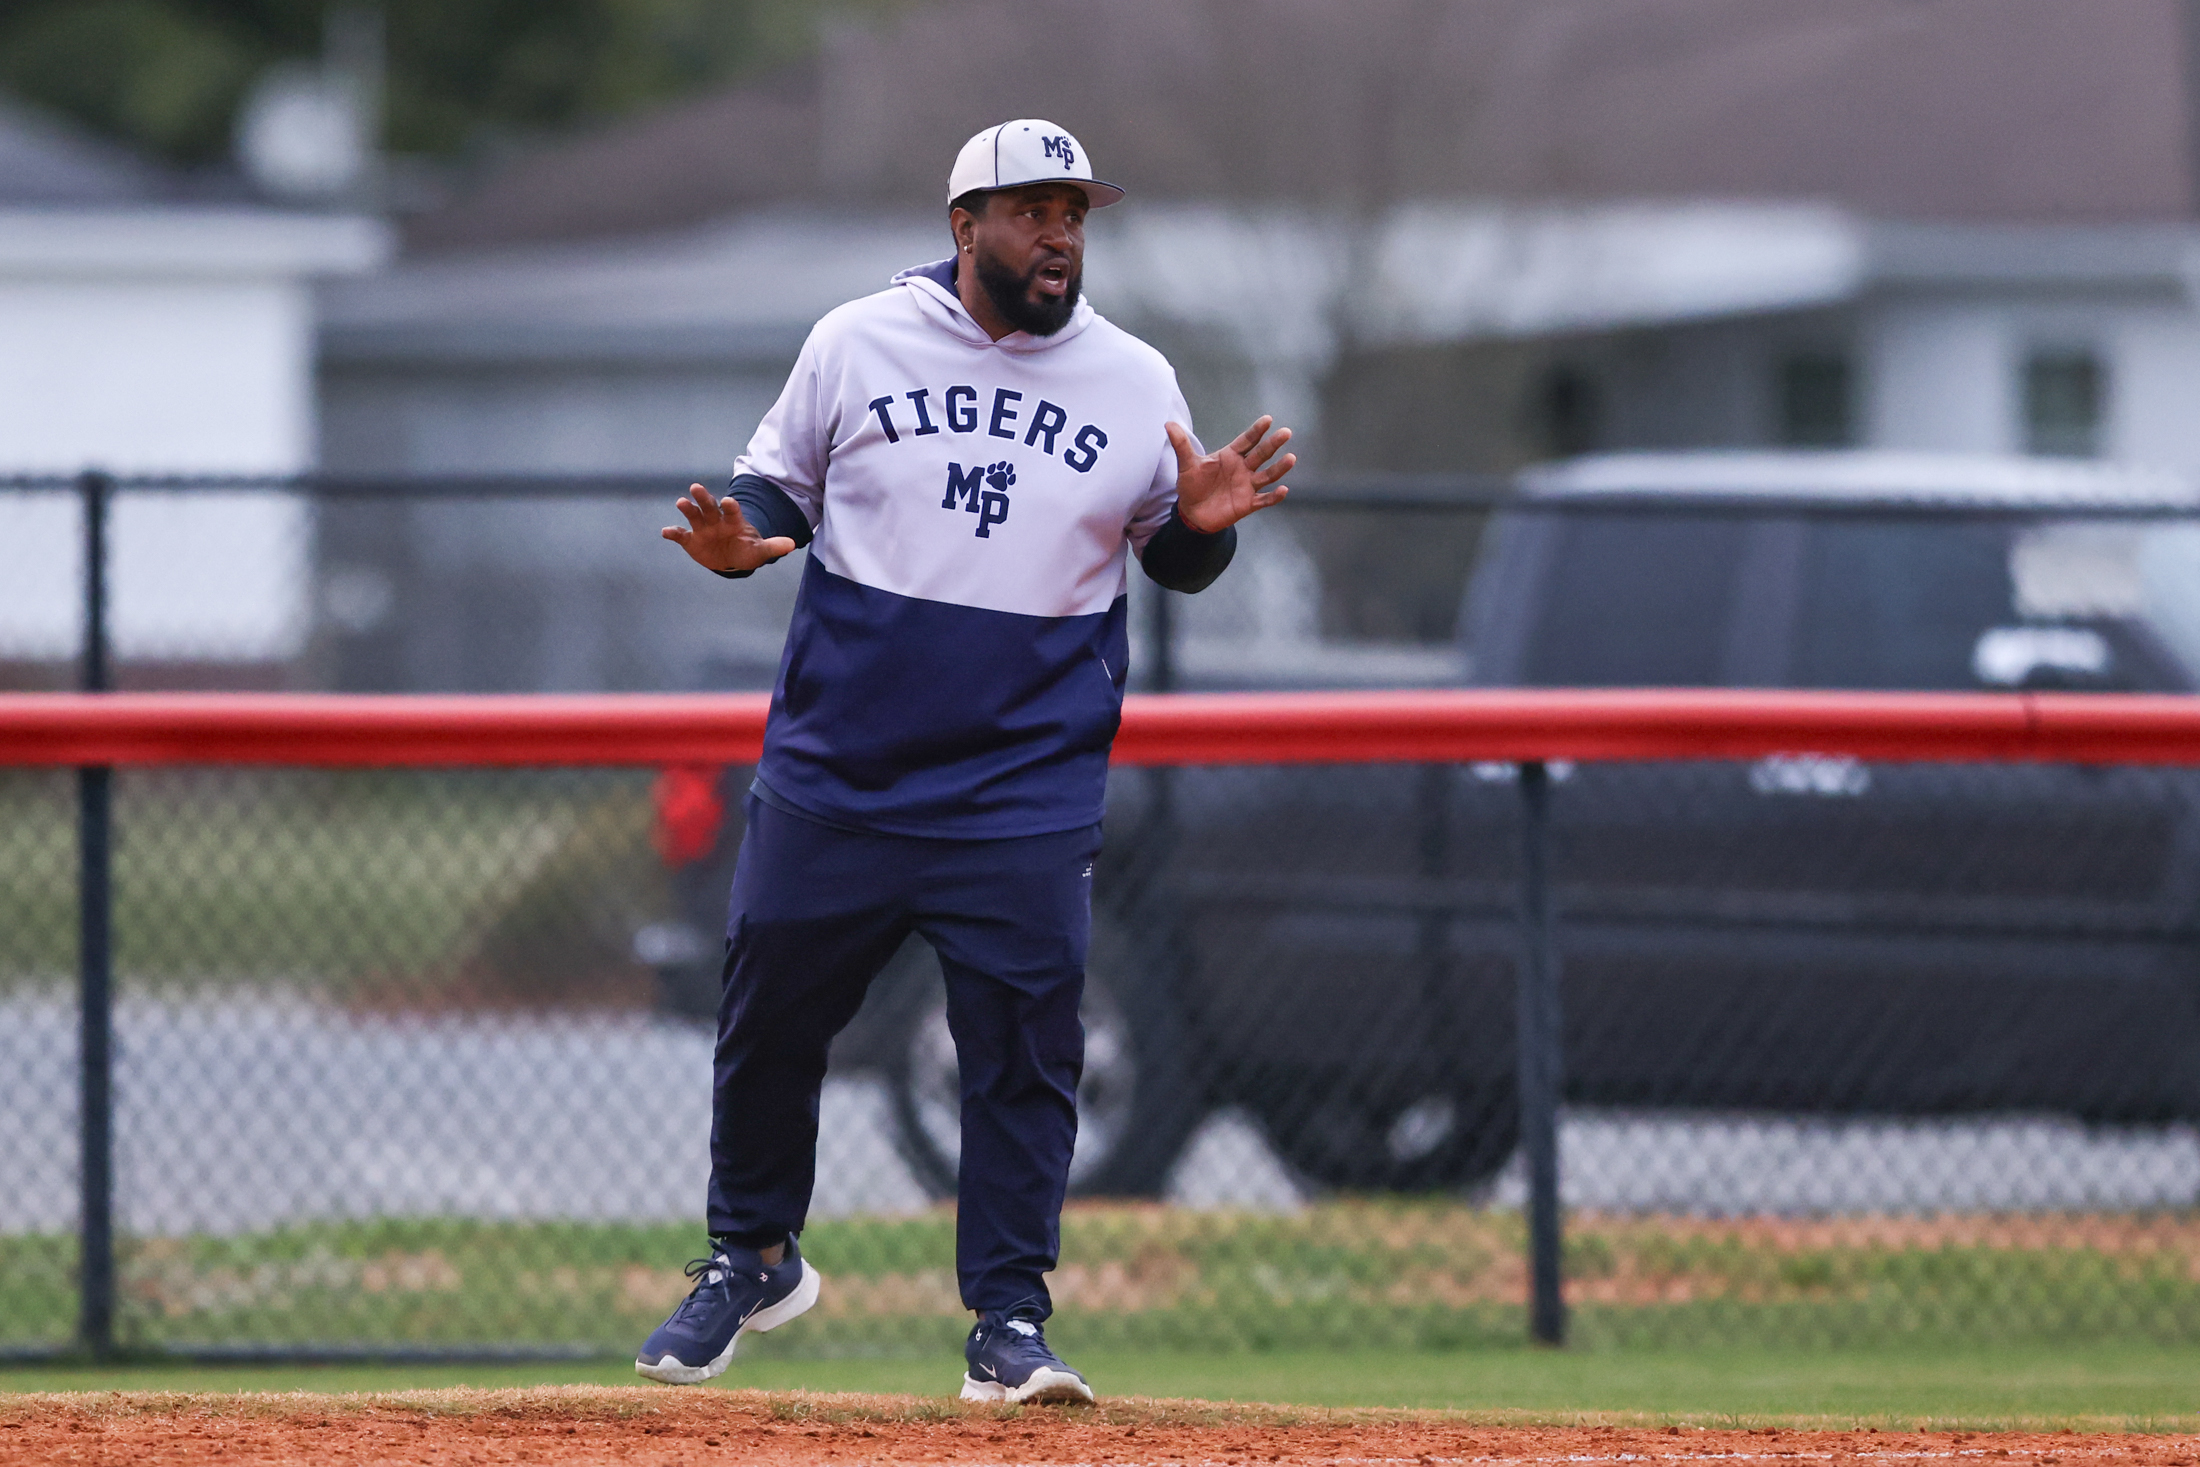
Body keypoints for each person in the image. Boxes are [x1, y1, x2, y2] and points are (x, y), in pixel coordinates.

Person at [636, 119, 1294, 1403]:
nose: (1058, 233)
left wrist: (1204, 534)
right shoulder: (855, 342)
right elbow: (774, 491)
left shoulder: (1132, 375)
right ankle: (751, 1255)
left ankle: (1008, 1322)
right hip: (844, 766)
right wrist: (739, 540)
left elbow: (1173, 549)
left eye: (1075, 213)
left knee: (1024, 1049)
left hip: (1020, 783)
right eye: (1031, 209)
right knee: (769, 1010)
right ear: (964, 227)